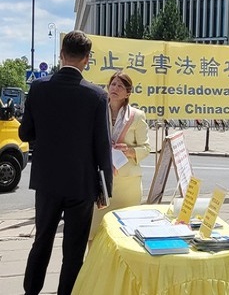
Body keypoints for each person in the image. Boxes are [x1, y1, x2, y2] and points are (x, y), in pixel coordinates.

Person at [19, 30, 113, 295]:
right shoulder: (96, 96)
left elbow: (25, 133)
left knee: (42, 241)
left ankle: (31, 291)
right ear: (87, 59)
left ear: (61, 55)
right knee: (73, 249)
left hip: (47, 180)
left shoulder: (38, 88)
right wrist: (105, 189)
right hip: (81, 184)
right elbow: (102, 147)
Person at [89, 71, 151, 241]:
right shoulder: (98, 111)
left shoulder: (136, 116)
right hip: (101, 179)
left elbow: (146, 148)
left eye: (120, 86)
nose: (115, 88)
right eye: (113, 84)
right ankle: (96, 266)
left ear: (128, 93)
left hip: (127, 184)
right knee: (95, 231)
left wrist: (129, 151)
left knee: (125, 233)